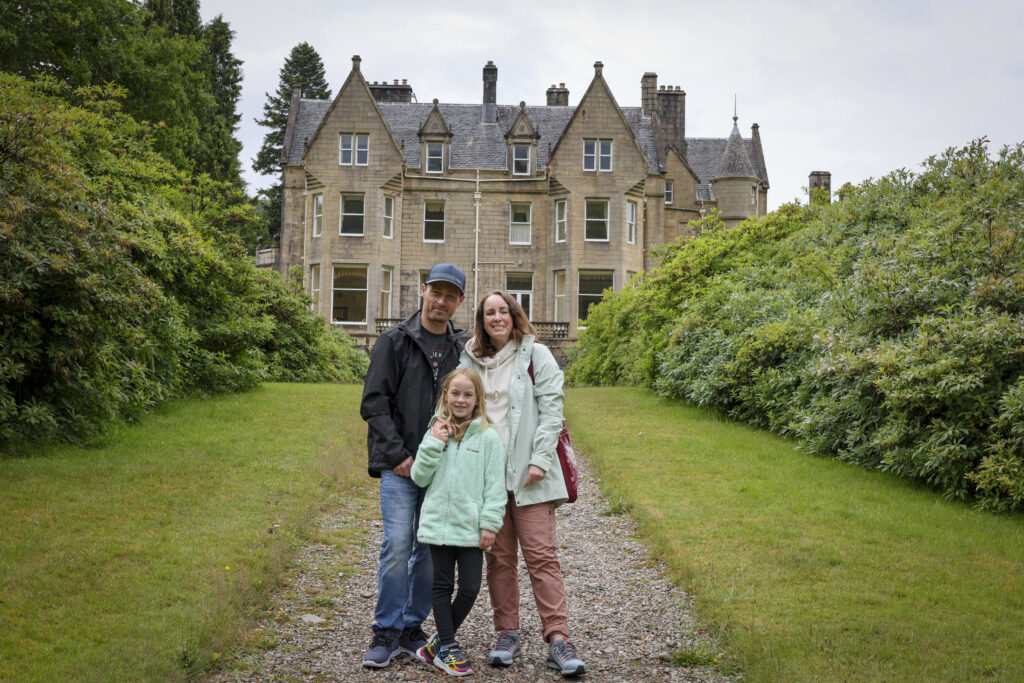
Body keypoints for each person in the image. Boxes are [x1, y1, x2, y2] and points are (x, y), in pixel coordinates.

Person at [459, 291, 586, 677]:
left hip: (531, 475)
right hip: (488, 477)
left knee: (541, 557)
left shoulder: (537, 355)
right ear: (482, 320)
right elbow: (458, 407)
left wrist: (539, 461)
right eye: (489, 313)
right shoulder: (470, 359)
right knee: (498, 559)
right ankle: (506, 634)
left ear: (514, 315)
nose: (496, 318)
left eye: (503, 311)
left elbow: (552, 413)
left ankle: (558, 639)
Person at [359, 263, 467, 668]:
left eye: (450, 295)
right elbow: (374, 404)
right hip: (400, 466)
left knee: (429, 549)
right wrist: (400, 455)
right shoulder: (394, 341)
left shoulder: (461, 349)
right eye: (436, 292)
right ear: (423, 291)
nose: (441, 301)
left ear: (459, 301)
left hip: (442, 469)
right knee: (398, 545)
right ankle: (385, 631)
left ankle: (411, 628)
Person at [410, 367, 507, 677]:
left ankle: (435, 646)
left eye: (468, 394)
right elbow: (420, 477)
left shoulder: (489, 438)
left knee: (469, 587)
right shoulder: (435, 432)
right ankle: (449, 647)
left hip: (469, 527)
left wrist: (490, 523)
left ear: (477, 399)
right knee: (441, 585)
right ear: (446, 396)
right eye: (455, 393)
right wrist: (433, 444)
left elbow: (494, 487)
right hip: (438, 524)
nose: (461, 399)